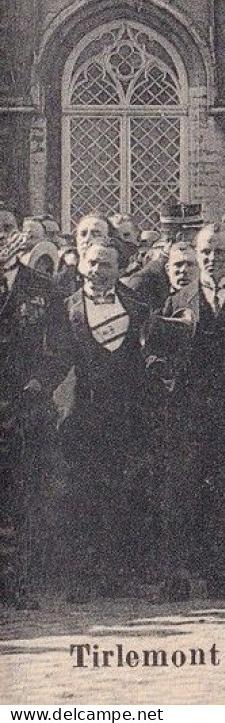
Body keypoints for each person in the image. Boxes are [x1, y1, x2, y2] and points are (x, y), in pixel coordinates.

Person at [147, 223, 225, 601]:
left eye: (219, 252)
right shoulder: (178, 300)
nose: (212, 259)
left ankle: (220, 575)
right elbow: (156, 349)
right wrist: (161, 369)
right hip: (186, 415)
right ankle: (177, 576)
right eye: (205, 252)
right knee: (181, 493)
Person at [41, 240, 151, 601]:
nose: (98, 271)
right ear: (81, 265)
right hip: (80, 416)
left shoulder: (136, 308)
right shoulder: (63, 309)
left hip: (123, 416)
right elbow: (55, 360)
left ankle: (115, 574)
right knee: (79, 495)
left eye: (106, 265)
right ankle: (79, 577)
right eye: (93, 263)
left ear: (119, 270)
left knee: (119, 493)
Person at [1, 225, 56, 609]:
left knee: (20, 496)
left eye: (6, 228)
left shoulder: (40, 286)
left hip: (22, 406)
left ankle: (17, 583)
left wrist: (39, 382)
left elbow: (57, 345)